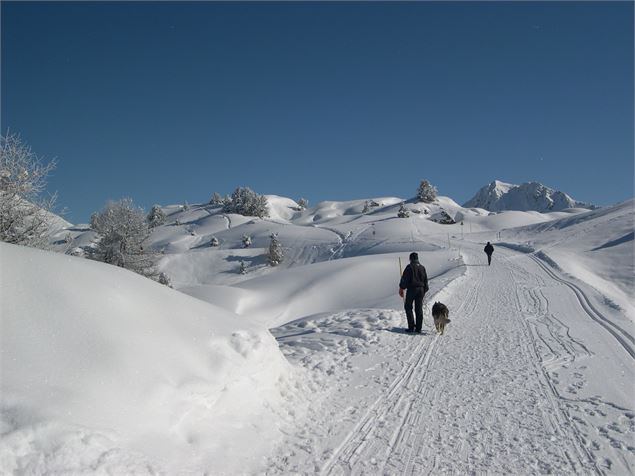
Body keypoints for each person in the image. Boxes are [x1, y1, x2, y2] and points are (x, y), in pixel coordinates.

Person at [398, 252, 429, 333]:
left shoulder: (409, 267)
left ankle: (411, 327)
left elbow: (404, 279)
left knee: (408, 307)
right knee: (418, 309)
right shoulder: (422, 267)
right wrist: (424, 291)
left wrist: (401, 288)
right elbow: (426, 281)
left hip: (412, 290)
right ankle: (418, 328)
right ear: (417, 259)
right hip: (421, 290)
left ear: (410, 259)